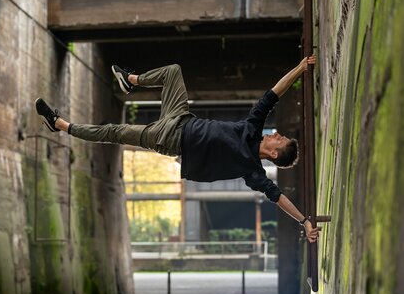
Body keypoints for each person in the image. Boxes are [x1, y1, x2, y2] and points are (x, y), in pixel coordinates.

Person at [35, 55, 319, 242]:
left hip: (169, 138)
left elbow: (277, 196)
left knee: (115, 131)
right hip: (181, 115)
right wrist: (301, 67)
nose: (276, 134)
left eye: (278, 140)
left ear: (272, 154)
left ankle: (59, 124)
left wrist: (305, 220)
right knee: (173, 71)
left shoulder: (251, 169)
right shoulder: (253, 127)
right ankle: (130, 80)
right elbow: (273, 94)